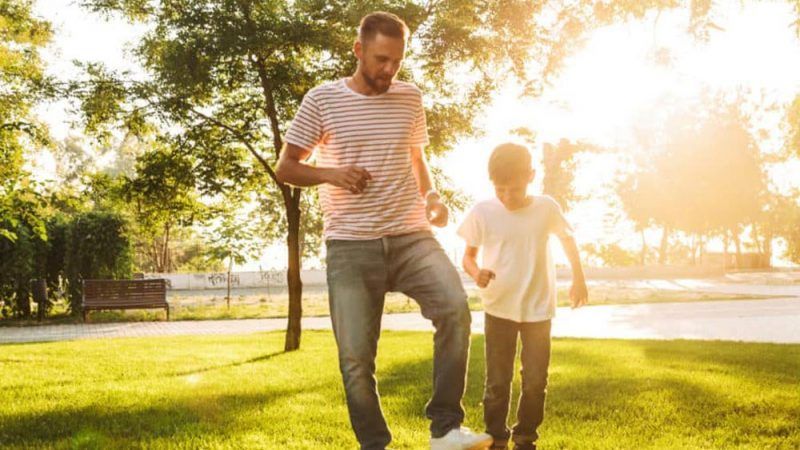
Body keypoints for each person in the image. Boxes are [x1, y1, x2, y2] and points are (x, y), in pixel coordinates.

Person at [276, 11, 492, 450]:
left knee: (454, 308)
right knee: (356, 358)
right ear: (358, 50)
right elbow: (287, 167)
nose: (389, 70)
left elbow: (417, 160)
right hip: (351, 246)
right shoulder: (322, 100)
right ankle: (375, 445)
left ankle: (446, 429)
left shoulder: (410, 98)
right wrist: (331, 174)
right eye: (380, 59)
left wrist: (431, 196)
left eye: (397, 61)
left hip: (412, 235)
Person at [457, 143, 589, 450]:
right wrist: (476, 273)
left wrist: (579, 280)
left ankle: (526, 437)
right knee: (497, 382)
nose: (506, 197)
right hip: (499, 307)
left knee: (534, 381)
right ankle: (497, 437)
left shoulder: (546, 207)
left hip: (538, 309)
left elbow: (568, 241)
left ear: (531, 176)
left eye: (514, 189)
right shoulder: (483, 211)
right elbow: (468, 257)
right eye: (500, 189)